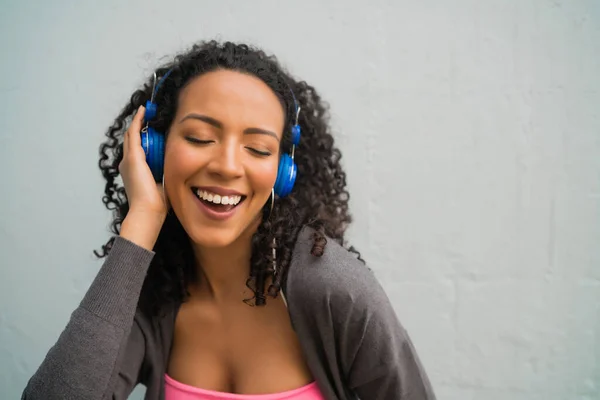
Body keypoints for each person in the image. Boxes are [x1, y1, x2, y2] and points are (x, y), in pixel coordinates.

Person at [22, 41, 436, 400]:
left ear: (283, 172)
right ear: (154, 148)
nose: (227, 166)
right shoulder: (150, 289)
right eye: (200, 138)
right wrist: (142, 219)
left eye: (257, 149)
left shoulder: (331, 288)